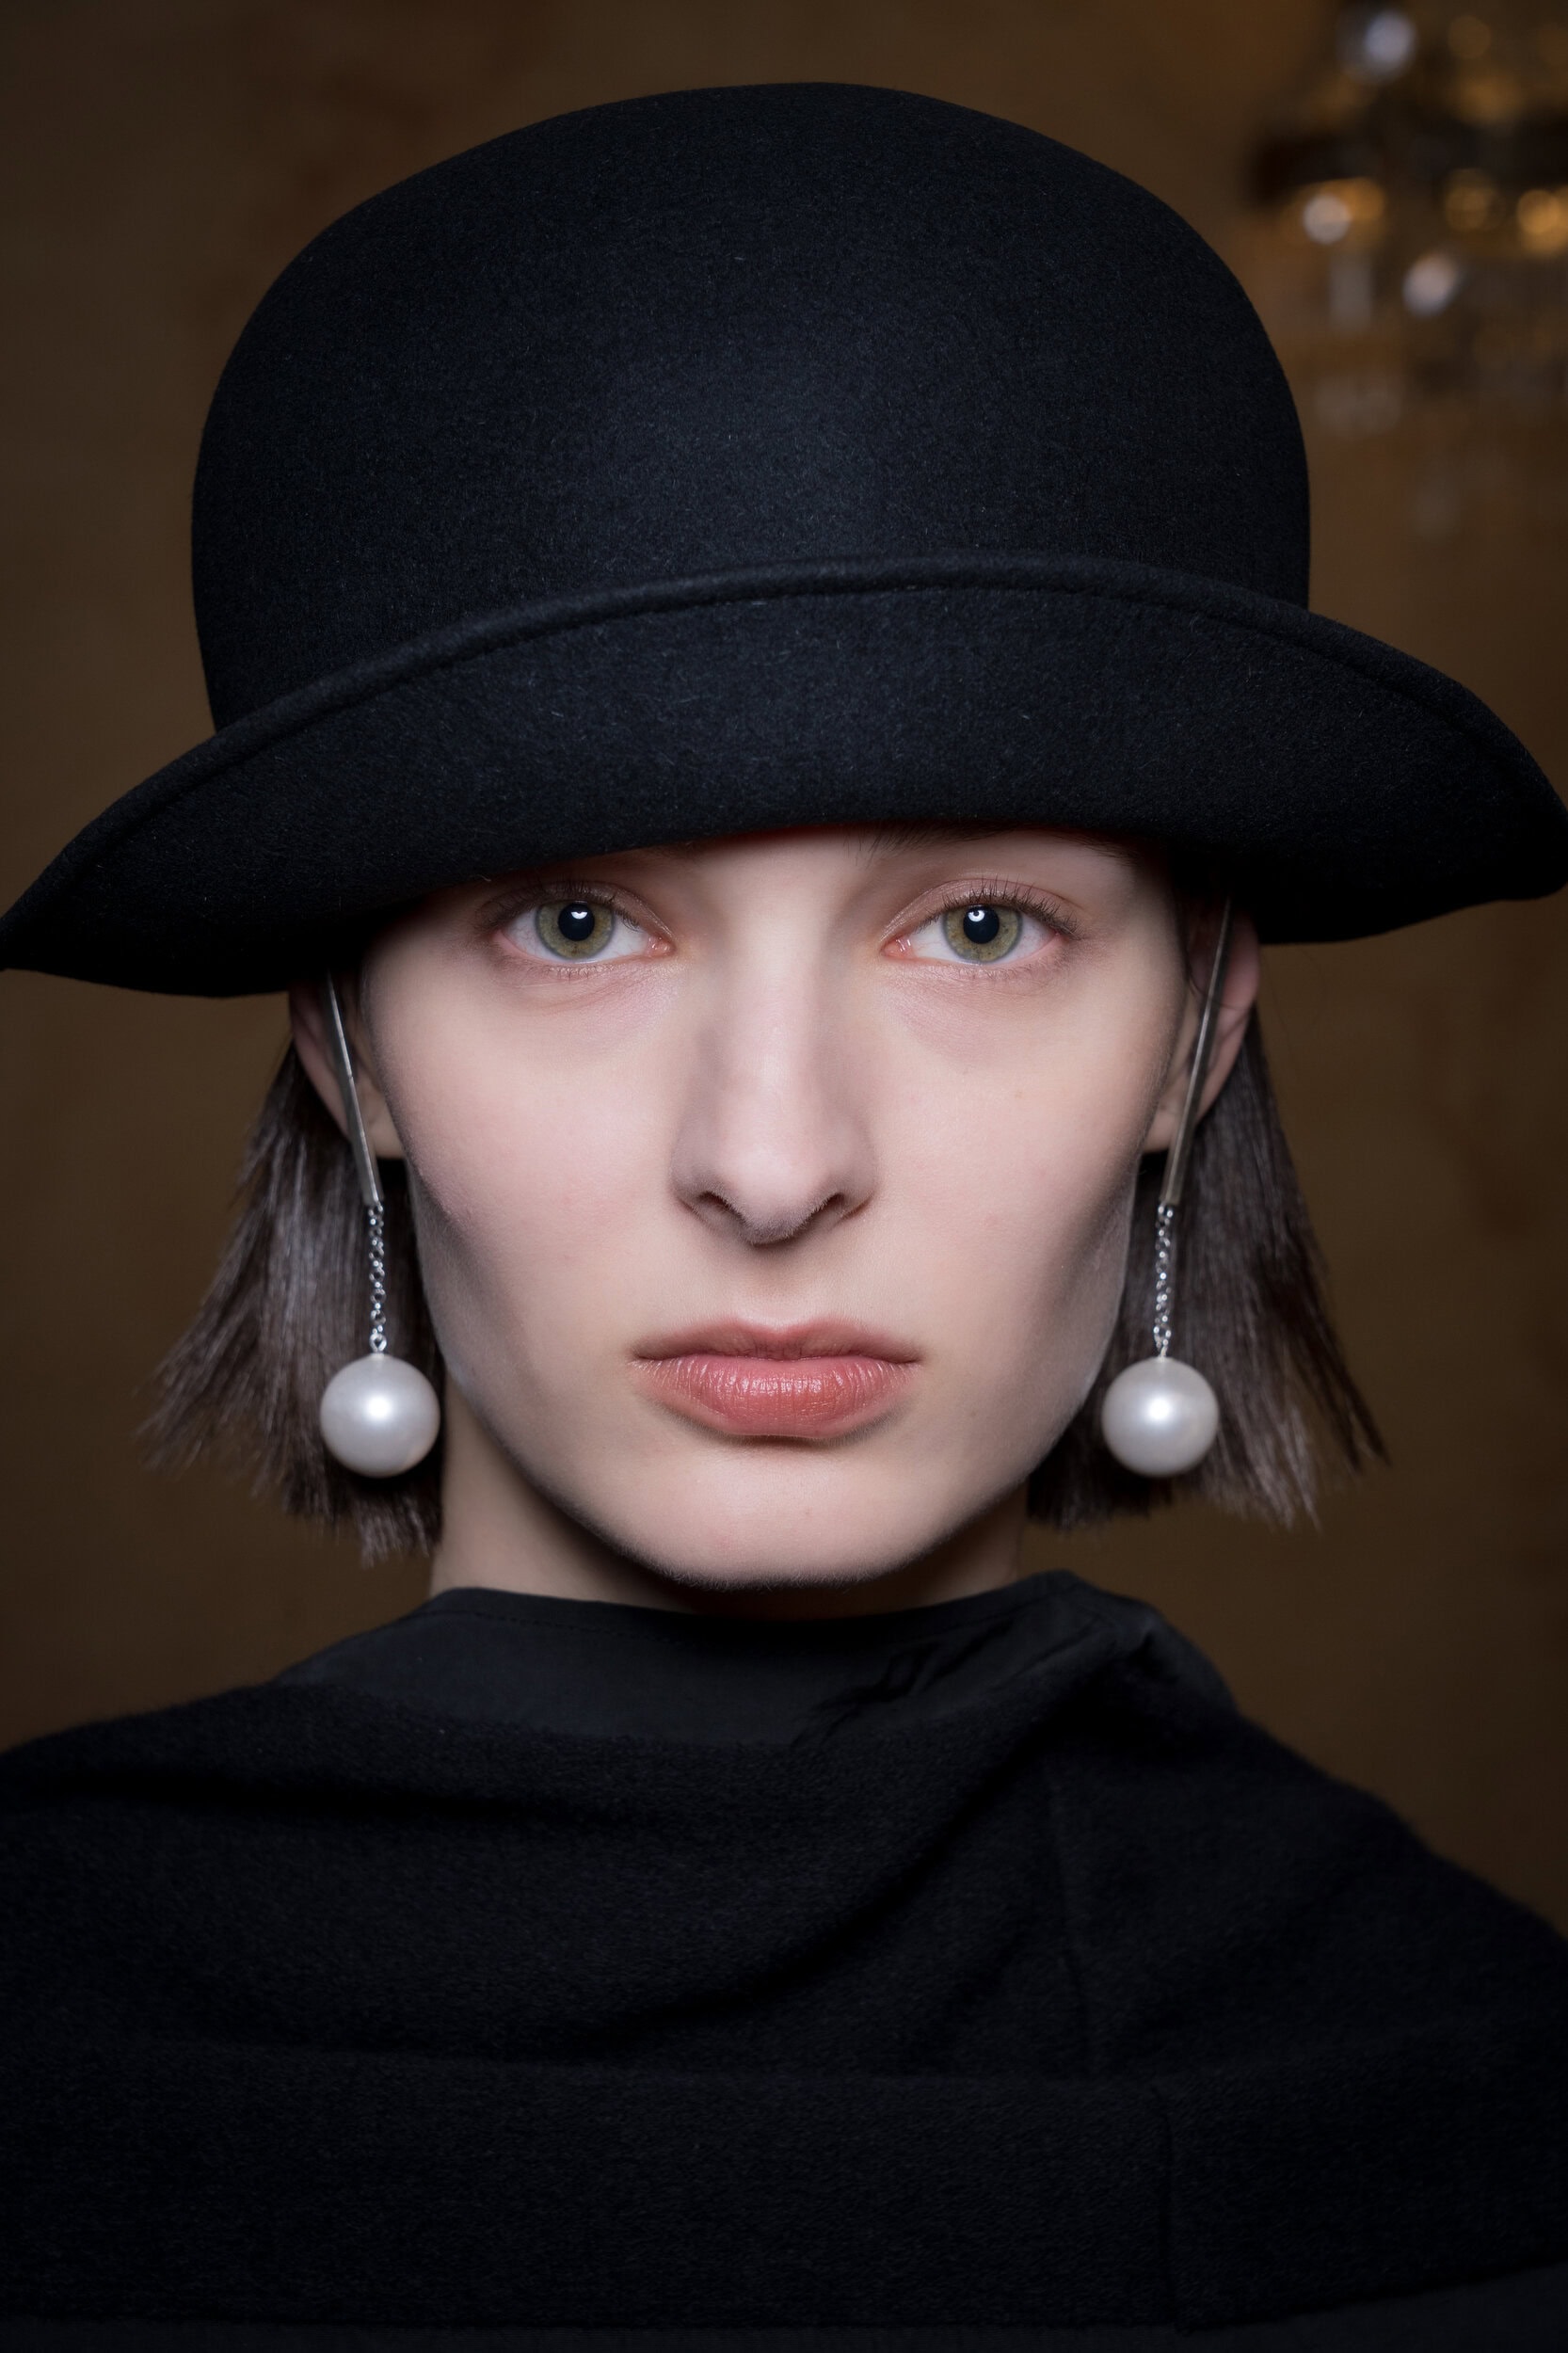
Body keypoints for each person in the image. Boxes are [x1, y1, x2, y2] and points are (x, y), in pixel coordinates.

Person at [0, 83, 1565, 2351]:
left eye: (977, 929)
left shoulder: (1485, 2090)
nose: (768, 1157)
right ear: (344, 1041)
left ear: (1194, 1031)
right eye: (573, 922)